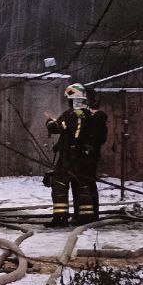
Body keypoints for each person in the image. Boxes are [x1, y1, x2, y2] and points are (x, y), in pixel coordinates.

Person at [46, 83, 107, 227]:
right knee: (83, 184)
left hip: (70, 157)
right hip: (85, 158)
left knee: (59, 182)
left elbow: (57, 127)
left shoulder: (72, 114)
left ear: (73, 99)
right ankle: (85, 216)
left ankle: (60, 217)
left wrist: (49, 122)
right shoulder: (90, 114)